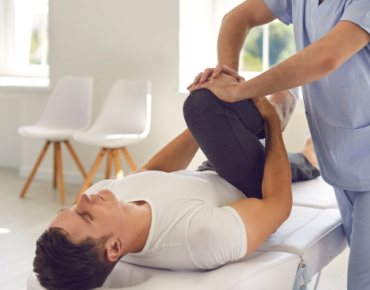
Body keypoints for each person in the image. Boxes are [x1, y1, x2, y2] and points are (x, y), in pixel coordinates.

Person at [33, 88, 320, 290]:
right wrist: (270, 121)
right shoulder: (197, 237)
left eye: (71, 207)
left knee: (205, 110)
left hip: (209, 174)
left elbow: (151, 172)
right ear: (115, 248)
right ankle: (287, 100)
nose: (83, 197)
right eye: (86, 215)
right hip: (249, 189)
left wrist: (200, 130)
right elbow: (277, 206)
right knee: (202, 106)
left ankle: (305, 148)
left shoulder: (105, 199)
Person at [187, 1, 370, 289]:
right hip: (340, 163)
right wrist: (227, 74)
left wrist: (237, 91)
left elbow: (327, 56)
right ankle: (308, 155)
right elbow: (238, 16)